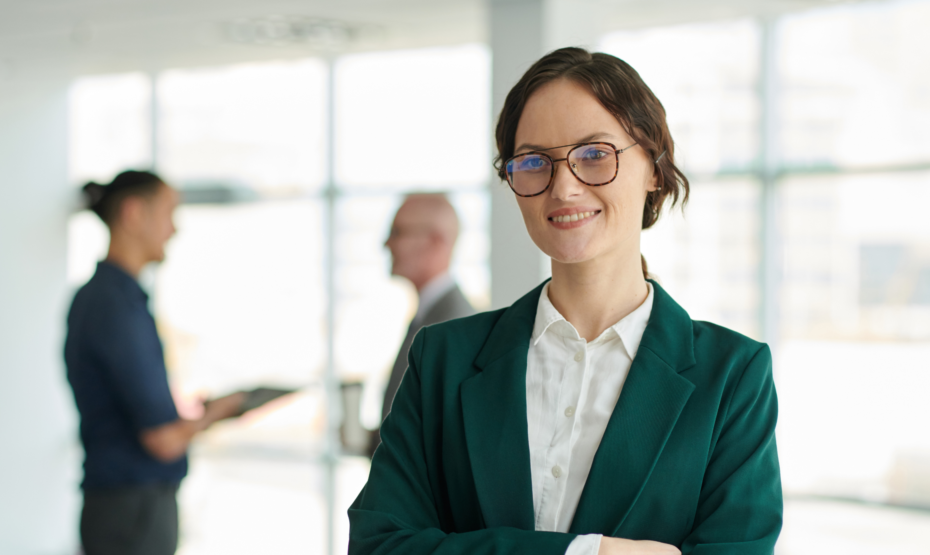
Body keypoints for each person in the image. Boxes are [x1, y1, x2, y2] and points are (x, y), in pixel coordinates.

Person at [348, 48, 782, 555]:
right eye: (534, 162)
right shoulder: (443, 358)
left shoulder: (732, 376)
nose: (564, 187)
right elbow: (379, 546)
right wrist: (588, 552)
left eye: (595, 154)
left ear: (656, 168)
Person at [64, 170, 246, 555]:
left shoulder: (105, 299)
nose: (173, 230)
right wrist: (221, 412)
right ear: (133, 213)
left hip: (122, 506)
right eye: (168, 213)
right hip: (132, 513)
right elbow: (162, 440)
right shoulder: (114, 305)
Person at [370, 193, 475, 456]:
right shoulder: (429, 317)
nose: (386, 244)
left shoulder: (455, 327)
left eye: (398, 232)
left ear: (436, 241)